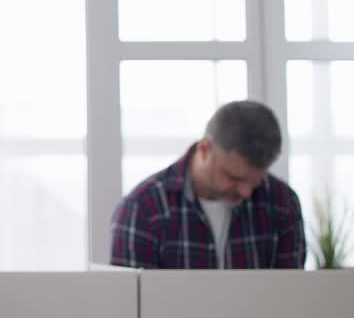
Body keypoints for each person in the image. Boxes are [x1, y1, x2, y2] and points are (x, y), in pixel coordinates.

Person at [110, 100, 305, 269]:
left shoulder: (282, 204)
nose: (246, 192)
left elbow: (289, 299)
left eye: (256, 181)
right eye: (234, 178)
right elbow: (130, 307)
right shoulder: (144, 209)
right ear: (205, 149)